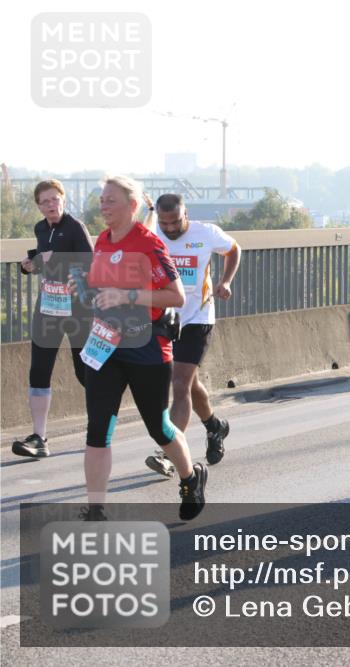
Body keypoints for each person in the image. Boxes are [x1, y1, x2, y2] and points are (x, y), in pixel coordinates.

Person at [68, 175, 207, 521]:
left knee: (158, 426)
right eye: (101, 199)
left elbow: (175, 296)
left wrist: (129, 295)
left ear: (132, 206)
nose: (103, 205)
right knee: (98, 427)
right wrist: (83, 288)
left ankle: (191, 478)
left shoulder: (149, 244)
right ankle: (96, 509)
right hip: (105, 346)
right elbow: (103, 289)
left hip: (147, 346)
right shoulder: (102, 241)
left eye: (110, 200)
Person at [145, 193, 241, 477]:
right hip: (167, 317)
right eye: (164, 223)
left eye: (175, 221)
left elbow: (234, 249)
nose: (170, 228)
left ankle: (167, 453)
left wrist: (225, 282)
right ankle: (214, 426)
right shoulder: (153, 233)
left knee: (179, 383)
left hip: (198, 316)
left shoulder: (206, 233)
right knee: (189, 383)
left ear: (185, 213)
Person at [11, 180, 94, 459]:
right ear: (38, 205)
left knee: (84, 372)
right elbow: (44, 263)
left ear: (63, 200)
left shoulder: (76, 227)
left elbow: (88, 263)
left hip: (78, 310)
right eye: (44, 201)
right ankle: (39, 437)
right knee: (39, 371)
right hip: (48, 307)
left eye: (54, 199)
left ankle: (100, 425)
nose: (50, 205)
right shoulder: (40, 228)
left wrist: (49, 259)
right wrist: (30, 265)